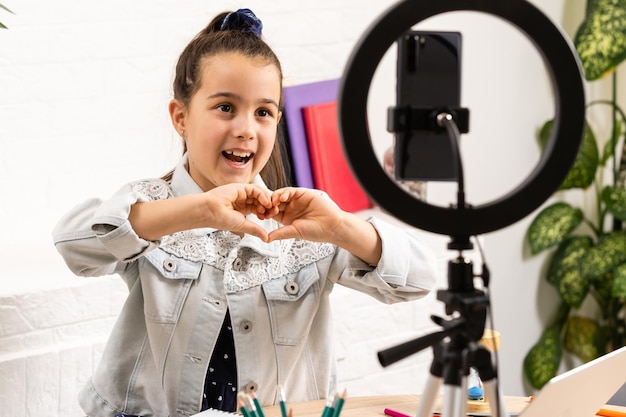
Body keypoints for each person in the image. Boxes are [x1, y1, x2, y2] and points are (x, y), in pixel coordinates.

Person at [52, 8, 438, 417]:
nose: (246, 129)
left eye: (263, 112)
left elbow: (417, 280)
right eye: (224, 107)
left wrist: (342, 226)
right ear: (180, 117)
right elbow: (73, 245)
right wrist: (196, 211)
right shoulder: (153, 204)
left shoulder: (303, 224)